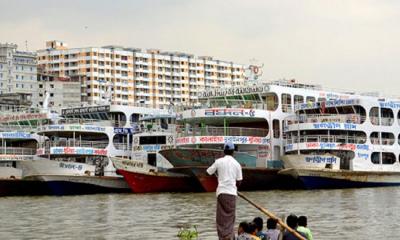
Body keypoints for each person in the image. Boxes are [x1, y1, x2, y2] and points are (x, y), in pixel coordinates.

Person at [207, 142, 243, 240]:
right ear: (233, 152)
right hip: (231, 193)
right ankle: (229, 236)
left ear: (224, 151)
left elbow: (209, 172)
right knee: (230, 217)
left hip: (221, 193)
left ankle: (223, 237)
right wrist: (234, 186)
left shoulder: (218, 161)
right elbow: (239, 181)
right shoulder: (237, 164)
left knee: (221, 217)